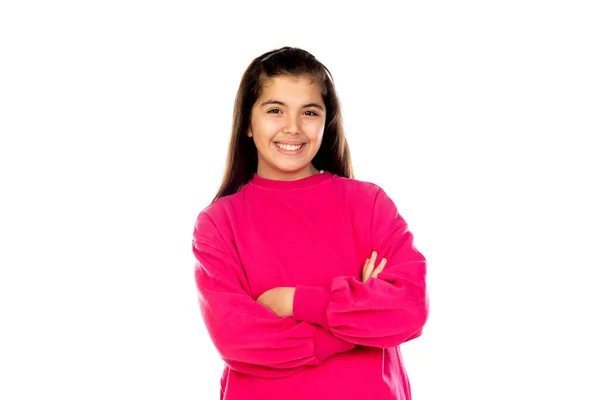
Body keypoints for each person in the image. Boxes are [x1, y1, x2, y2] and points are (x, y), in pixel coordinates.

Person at [191, 46, 428, 400]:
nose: (293, 127)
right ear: (247, 125)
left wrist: (295, 302)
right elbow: (238, 341)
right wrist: (358, 322)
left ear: (326, 121)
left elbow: (409, 309)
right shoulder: (219, 223)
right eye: (275, 110)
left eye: (310, 112)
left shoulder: (368, 204)